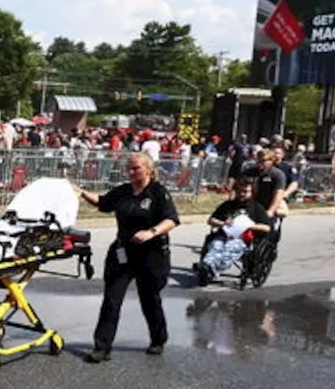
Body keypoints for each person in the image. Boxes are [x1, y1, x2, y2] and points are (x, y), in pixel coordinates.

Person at [74, 152, 180, 362]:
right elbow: (103, 202)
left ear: (148, 169)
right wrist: (82, 193)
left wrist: (151, 232)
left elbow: (172, 220)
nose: (131, 172)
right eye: (128, 168)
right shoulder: (123, 191)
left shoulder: (158, 192)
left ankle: (158, 339)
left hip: (151, 254)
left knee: (150, 299)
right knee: (112, 300)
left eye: (136, 168)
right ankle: (102, 347)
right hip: (123, 252)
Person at [193, 179, 272, 285]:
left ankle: (209, 268)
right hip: (223, 236)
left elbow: (266, 227)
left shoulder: (256, 208)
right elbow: (211, 220)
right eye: (239, 191)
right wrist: (223, 223)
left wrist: (251, 226)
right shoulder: (228, 205)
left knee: (230, 249)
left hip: (243, 239)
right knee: (215, 246)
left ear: (251, 192)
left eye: (245, 191)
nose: (242, 194)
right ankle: (206, 266)